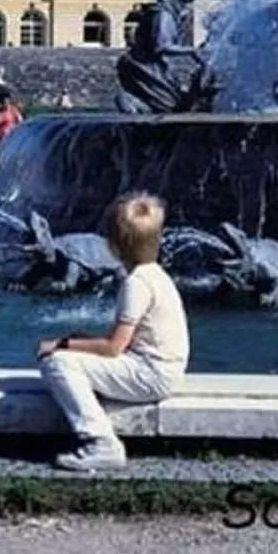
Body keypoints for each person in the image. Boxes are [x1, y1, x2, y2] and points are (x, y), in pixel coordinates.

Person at [36, 193, 189, 471]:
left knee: (57, 363)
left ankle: (101, 442)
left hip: (152, 376)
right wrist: (79, 341)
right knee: (74, 349)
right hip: (164, 370)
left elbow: (114, 348)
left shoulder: (137, 284)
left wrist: (63, 343)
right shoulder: (156, 275)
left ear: (114, 247)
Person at [0, 85, 24, 155]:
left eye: (7, 102)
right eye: (4, 102)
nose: (6, 104)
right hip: (0, 138)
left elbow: (21, 122)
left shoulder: (14, 111)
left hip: (11, 138)